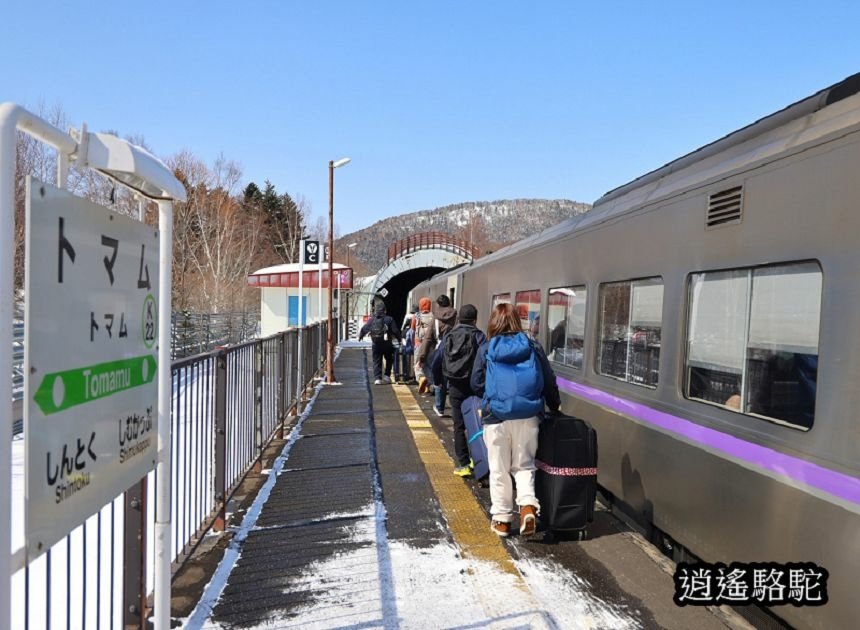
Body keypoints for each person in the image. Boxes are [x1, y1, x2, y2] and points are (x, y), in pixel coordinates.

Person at [471, 302, 561, 538]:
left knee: (499, 468)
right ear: (517, 322)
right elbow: (548, 379)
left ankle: (501, 520)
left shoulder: (487, 348)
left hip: (496, 417)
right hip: (528, 415)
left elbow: (476, 382)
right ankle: (528, 507)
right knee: (523, 465)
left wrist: (493, 396)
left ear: (493, 322)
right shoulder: (532, 346)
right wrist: (554, 405)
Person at [439, 304, 486, 477]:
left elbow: (438, 358)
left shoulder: (450, 335)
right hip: (475, 387)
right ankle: (479, 458)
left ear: (459, 319)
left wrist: (438, 382)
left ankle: (464, 464)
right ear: (475, 320)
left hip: (455, 387)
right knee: (478, 423)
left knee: (458, 425)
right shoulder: (479, 336)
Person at [418, 295, 457, 415]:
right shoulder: (456, 317)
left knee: (439, 377)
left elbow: (428, 339)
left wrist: (422, 356)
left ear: (438, 305)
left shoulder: (435, 320)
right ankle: (456, 407)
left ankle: (440, 407)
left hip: (439, 351)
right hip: (455, 350)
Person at [358, 302, 401, 384]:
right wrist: (399, 339)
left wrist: (361, 336)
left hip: (376, 343)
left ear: (376, 310)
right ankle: (387, 376)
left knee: (376, 360)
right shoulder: (389, 319)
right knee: (389, 359)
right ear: (385, 310)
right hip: (387, 343)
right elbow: (395, 330)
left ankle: (377, 378)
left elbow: (365, 328)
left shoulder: (372, 320)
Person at [413, 297, 435, 394]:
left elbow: (413, 328)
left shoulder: (416, 316)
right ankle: (430, 384)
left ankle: (421, 378)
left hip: (419, 343)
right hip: (430, 344)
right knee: (429, 364)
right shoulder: (433, 316)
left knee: (418, 364)